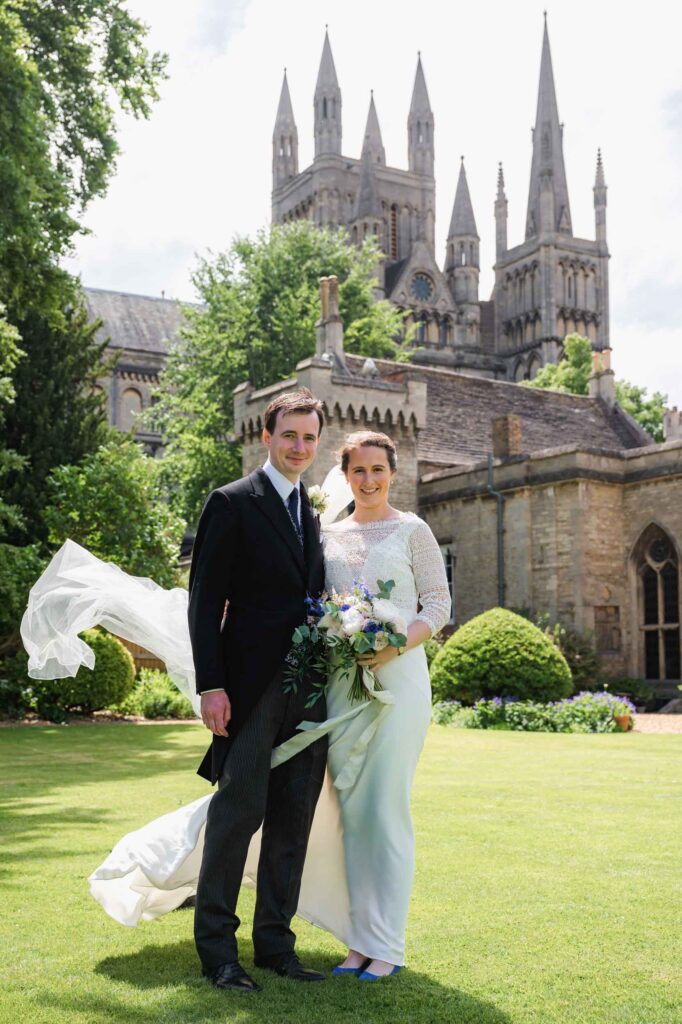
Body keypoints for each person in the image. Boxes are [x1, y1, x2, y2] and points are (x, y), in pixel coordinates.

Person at [20, 428, 451, 988]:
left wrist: (394, 643)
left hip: (396, 680)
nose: (369, 479)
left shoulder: (412, 528)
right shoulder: (323, 530)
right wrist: (220, 675)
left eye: (378, 469)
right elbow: (267, 600)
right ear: (343, 475)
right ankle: (354, 942)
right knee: (342, 816)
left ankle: (384, 944)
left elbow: (438, 603)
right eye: (358, 470)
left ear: (395, 471)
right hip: (335, 685)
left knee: (383, 811)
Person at [188, 386, 329, 992]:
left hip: (310, 688)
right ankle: (219, 953)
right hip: (247, 688)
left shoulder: (311, 512)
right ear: (266, 437)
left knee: (293, 821)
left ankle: (276, 945)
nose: (300, 446)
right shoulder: (231, 503)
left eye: (310, 437)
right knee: (235, 817)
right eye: (290, 434)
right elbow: (204, 601)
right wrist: (211, 685)